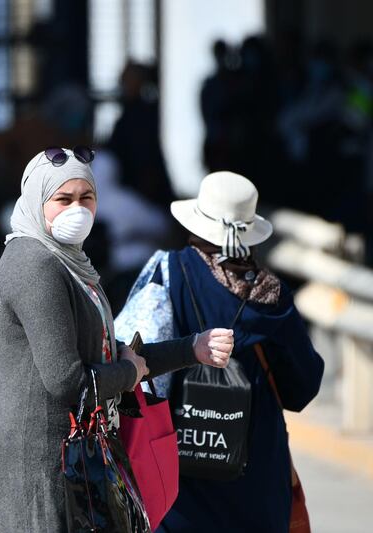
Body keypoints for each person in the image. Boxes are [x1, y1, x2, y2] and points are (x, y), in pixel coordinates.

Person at [0, 147, 235, 532]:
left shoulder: (68, 261)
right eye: (63, 199)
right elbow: (67, 381)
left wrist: (191, 348)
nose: (76, 210)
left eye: (87, 198)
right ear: (36, 201)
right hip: (34, 456)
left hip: (65, 452)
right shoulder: (36, 266)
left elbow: (109, 353)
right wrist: (128, 375)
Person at [119, 171, 324, 532]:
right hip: (259, 483)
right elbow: (302, 389)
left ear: (196, 226)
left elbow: (133, 358)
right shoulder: (273, 296)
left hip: (180, 483)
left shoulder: (170, 274)